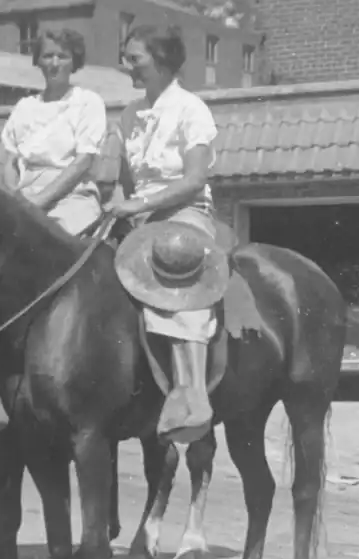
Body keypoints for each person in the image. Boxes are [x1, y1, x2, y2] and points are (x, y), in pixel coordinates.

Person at [107, 25, 237, 445]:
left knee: (178, 263)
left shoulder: (190, 109)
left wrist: (139, 206)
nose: (127, 67)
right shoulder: (130, 115)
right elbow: (124, 181)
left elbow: (195, 179)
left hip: (184, 211)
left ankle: (193, 397)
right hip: (139, 216)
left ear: (161, 61)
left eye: (134, 59)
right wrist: (118, 205)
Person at [1, 29, 108, 235]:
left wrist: (40, 201)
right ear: (38, 61)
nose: (55, 63)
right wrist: (14, 196)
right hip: (24, 196)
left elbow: (82, 162)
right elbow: (10, 161)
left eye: (63, 56)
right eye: (48, 56)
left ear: (74, 61)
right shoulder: (25, 106)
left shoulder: (86, 102)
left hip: (72, 195)